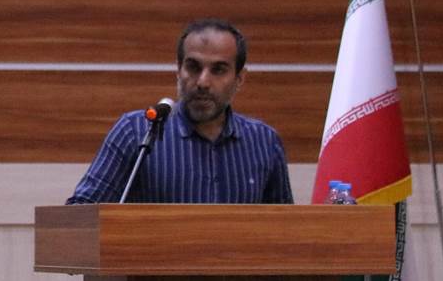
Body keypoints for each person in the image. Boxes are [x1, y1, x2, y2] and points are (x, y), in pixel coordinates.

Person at [67, 18, 293, 205]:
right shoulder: (136, 132)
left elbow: (285, 230)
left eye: (218, 70)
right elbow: (80, 215)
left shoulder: (264, 142)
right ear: (178, 69)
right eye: (193, 67)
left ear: (239, 78)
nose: (203, 82)